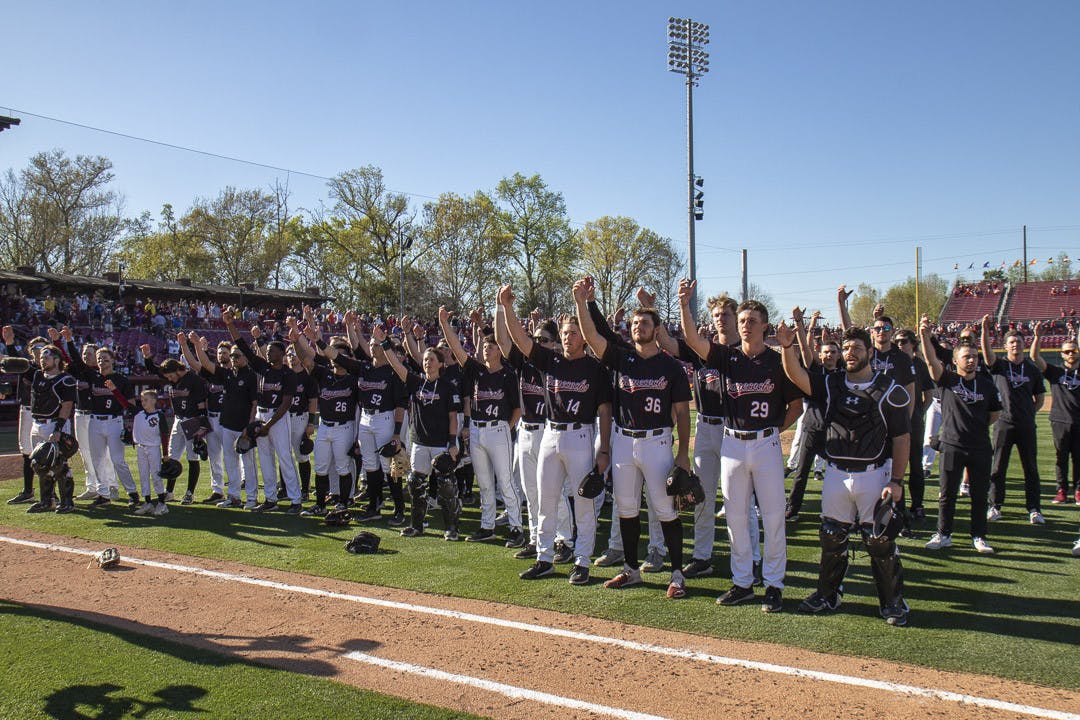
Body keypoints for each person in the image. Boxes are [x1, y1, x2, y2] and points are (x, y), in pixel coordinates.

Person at [679, 280, 802, 612]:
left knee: (773, 517)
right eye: (742, 320)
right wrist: (683, 303)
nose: (745, 326)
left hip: (765, 445)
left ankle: (774, 584)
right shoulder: (726, 357)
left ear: (764, 326)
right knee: (734, 516)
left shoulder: (777, 362)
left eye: (751, 321)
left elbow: (796, 405)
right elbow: (692, 340)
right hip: (732, 443)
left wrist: (775, 430)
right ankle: (743, 582)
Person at [777, 322, 911, 626]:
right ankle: (828, 593)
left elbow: (902, 437)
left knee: (879, 540)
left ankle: (892, 601)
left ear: (869, 353)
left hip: (874, 474)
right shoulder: (831, 383)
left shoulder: (889, 389)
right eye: (847, 348)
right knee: (831, 536)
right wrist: (787, 348)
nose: (850, 353)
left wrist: (897, 481)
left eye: (857, 348)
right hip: (836, 473)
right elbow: (797, 376)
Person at [576, 277, 693, 599]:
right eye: (635, 322)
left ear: (656, 328)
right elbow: (591, 335)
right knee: (626, 509)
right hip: (624, 441)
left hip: (657, 442)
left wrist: (683, 455)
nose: (639, 326)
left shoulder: (672, 367)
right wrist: (581, 301)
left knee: (665, 510)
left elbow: (682, 414)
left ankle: (677, 574)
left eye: (644, 322)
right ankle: (631, 570)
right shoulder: (620, 358)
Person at [499, 284, 613, 584]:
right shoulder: (552, 361)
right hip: (551, 434)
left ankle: (582, 561)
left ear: (584, 338)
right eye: (564, 332)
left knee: (584, 502)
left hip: (581, 436)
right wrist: (507, 308)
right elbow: (522, 342)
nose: (567, 337)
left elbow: (604, 410)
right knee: (545, 500)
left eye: (573, 333)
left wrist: (604, 450)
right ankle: (544, 558)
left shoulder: (594, 367)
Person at [439, 306, 525, 546]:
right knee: (485, 484)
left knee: (505, 482)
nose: (486, 349)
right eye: (485, 346)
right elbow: (457, 350)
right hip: (477, 429)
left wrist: (506, 428)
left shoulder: (508, 374)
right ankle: (487, 526)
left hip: (498, 430)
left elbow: (517, 409)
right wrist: (445, 324)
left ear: (500, 350)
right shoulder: (476, 371)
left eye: (491, 346)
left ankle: (517, 528)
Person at [919, 317, 1002, 554]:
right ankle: (943, 534)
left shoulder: (986, 384)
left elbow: (995, 412)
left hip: (980, 447)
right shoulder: (947, 379)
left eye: (974, 356)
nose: (972, 360)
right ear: (955, 360)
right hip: (951, 445)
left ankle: (979, 536)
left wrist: (976, 425)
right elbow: (929, 360)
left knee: (978, 495)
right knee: (947, 494)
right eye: (967, 356)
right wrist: (925, 336)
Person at [371, 323, 460, 538]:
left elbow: (453, 417)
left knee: (446, 487)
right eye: (425, 359)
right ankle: (416, 525)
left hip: (440, 443)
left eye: (432, 360)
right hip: (419, 442)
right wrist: (384, 343)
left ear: (440, 364)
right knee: (415, 484)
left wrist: (452, 443)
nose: (427, 362)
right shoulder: (416, 383)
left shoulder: (448, 387)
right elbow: (396, 365)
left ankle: (451, 529)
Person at [224, 309, 303, 513]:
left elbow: (286, 404)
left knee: (284, 457)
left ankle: (295, 499)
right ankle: (270, 499)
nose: (268, 353)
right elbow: (243, 347)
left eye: (272, 351)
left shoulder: (288, 374)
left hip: (278, 418)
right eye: (267, 351)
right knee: (265, 459)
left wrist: (268, 425)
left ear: (282, 353)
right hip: (261, 415)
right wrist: (230, 325)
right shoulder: (263, 368)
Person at [59, 326, 139, 509]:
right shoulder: (92, 376)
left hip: (114, 422)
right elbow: (76, 362)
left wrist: (128, 425)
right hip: (95, 421)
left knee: (118, 460)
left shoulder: (121, 380)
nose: (102, 361)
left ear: (112, 360)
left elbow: (131, 406)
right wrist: (68, 341)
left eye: (106, 359)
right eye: (100, 359)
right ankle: (103, 494)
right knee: (97, 460)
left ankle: (132, 493)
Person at [980, 315, 1047, 524]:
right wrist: (984, 331)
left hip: (1026, 425)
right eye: (1011, 342)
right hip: (1004, 424)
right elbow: (987, 355)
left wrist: (1027, 413)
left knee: (1031, 468)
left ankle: (1034, 509)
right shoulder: (999, 366)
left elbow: (1040, 399)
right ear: (1005, 346)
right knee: (998, 467)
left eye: (1018, 341)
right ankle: (995, 506)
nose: (1015, 345)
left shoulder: (1032, 369)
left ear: (1023, 344)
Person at [184, 333, 259, 508]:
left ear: (245, 358)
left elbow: (255, 403)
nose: (233, 358)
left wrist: (249, 427)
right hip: (227, 424)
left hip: (243, 426)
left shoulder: (251, 376)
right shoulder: (227, 374)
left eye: (237, 355)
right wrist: (196, 344)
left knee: (248, 463)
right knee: (230, 461)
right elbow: (206, 364)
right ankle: (233, 496)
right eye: (232, 355)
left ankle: (252, 497)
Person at [3, 339, 78, 513]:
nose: (43, 360)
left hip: (54, 424)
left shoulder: (65, 380)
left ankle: (67, 501)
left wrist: (59, 429)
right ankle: (47, 501)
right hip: (37, 423)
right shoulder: (37, 375)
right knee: (39, 464)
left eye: (47, 357)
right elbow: (16, 365)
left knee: (59, 464)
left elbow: (67, 405)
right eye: (42, 357)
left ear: (57, 360)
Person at [784, 311, 841, 522]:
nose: (829, 355)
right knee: (801, 472)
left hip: (834, 432)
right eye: (825, 352)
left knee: (837, 475)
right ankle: (793, 508)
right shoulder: (816, 370)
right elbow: (806, 349)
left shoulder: (844, 375)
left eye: (833, 352)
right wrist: (800, 323)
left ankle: (835, 510)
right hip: (812, 428)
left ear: (838, 354)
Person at [141, 342, 208, 505]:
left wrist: (202, 427)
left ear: (178, 370)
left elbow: (202, 404)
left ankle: (189, 493)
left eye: (170, 376)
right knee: (171, 457)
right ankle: (169, 492)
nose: (169, 379)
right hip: (179, 419)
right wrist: (147, 356)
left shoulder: (194, 380)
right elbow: (154, 370)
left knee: (193, 458)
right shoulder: (173, 379)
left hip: (192, 419)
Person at [1029, 322, 1080, 506]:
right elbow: (1034, 357)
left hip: (1079, 422)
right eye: (1067, 351)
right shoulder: (1056, 372)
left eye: (1073, 351)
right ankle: (1062, 490)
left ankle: (1078, 491)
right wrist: (1037, 337)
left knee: (1078, 457)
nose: (1070, 354)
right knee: (1061, 457)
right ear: (1061, 354)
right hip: (1060, 420)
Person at [2, 328, 49, 505]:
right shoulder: (26, 366)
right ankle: (28, 491)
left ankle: (51, 492)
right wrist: (9, 343)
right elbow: (15, 363)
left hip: (45, 413)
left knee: (48, 452)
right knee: (27, 451)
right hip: (27, 410)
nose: (39, 352)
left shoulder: (50, 369)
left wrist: (10, 345)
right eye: (36, 348)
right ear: (30, 351)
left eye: (43, 348)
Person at [130, 389, 169, 516]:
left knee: (156, 475)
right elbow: (124, 403)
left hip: (153, 448)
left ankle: (162, 503)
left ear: (154, 400)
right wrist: (113, 389)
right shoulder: (138, 413)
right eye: (141, 400)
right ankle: (147, 503)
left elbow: (164, 435)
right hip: (141, 448)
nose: (143, 402)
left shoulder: (159, 416)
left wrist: (165, 454)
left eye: (146, 400)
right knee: (143, 475)